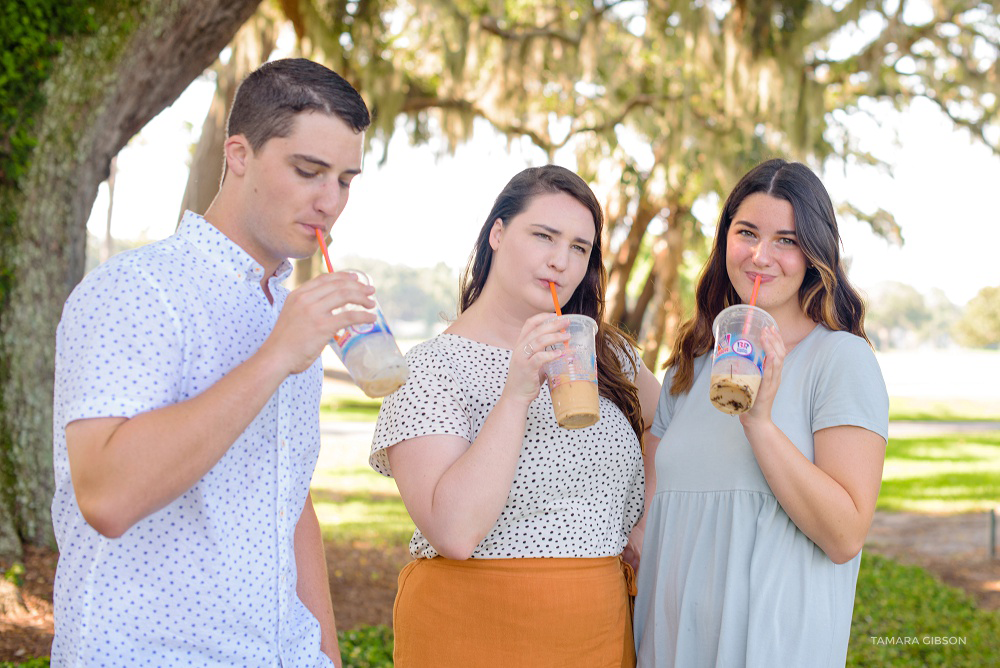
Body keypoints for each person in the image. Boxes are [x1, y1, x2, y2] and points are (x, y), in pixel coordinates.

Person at [51, 58, 374, 666]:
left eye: (346, 180)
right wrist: (277, 354)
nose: (329, 201)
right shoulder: (137, 291)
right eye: (308, 171)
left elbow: (287, 494)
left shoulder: (288, 306)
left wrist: (326, 653)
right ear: (238, 154)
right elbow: (107, 498)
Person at [368, 165, 661, 667]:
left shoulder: (604, 353)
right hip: (471, 632)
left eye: (579, 248)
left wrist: (644, 523)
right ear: (497, 234)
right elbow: (455, 531)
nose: (560, 262)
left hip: (598, 628)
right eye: (543, 236)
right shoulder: (429, 369)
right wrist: (517, 394)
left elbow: (668, 424)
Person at [632, 158, 889, 667]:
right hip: (669, 642)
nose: (760, 256)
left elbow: (844, 536)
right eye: (746, 232)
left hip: (770, 645)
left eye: (786, 241)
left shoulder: (840, 359)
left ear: (815, 253)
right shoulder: (691, 364)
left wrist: (759, 422)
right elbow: (652, 514)